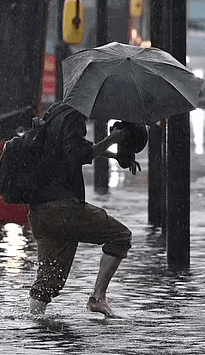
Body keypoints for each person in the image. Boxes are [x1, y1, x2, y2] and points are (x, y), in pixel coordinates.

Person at [26, 101, 147, 318]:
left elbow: (68, 149)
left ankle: (34, 327)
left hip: (40, 209)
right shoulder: (74, 116)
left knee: (46, 284)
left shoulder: (56, 112)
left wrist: (114, 154)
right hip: (63, 207)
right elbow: (78, 154)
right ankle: (98, 298)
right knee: (120, 237)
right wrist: (113, 139)